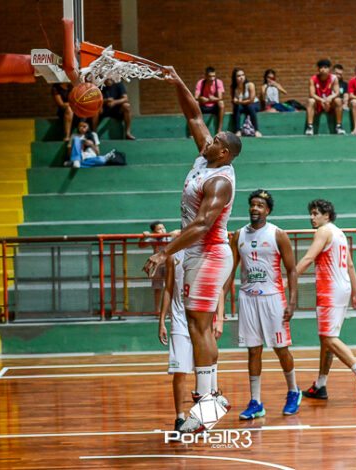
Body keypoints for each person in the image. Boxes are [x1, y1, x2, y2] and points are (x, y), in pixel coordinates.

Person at [143, 66, 241, 434]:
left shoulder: (220, 181)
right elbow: (194, 115)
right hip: (199, 253)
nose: (208, 139)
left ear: (224, 152)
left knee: (200, 328)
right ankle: (212, 399)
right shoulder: (205, 157)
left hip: (210, 253)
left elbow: (201, 225)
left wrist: (163, 252)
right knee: (199, 327)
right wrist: (177, 81)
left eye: (215, 139)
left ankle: (207, 407)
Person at [226, 190, 301, 420]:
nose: (255, 208)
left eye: (260, 205)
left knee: (280, 348)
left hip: (273, 298)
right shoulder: (238, 235)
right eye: (252, 204)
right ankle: (256, 402)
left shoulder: (278, 234)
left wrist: (292, 302)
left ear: (267, 210)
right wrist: (221, 301)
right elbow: (230, 270)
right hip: (248, 298)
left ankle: (293, 391)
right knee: (253, 350)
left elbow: (292, 270)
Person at [296, 199, 356, 404]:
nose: (312, 217)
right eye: (311, 213)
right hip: (342, 289)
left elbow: (308, 258)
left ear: (327, 215)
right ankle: (320, 385)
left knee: (329, 338)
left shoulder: (323, 231)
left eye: (316, 213)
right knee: (326, 339)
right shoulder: (339, 233)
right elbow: (350, 265)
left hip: (330, 290)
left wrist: (288, 279)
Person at [157, 249, 196, 433]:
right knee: (180, 371)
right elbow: (168, 288)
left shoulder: (206, 252)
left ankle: (202, 418)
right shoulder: (174, 256)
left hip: (201, 321)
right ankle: (180, 418)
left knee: (203, 372)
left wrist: (218, 317)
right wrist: (161, 321)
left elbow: (217, 288)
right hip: (180, 321)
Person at [140, 222, 180, 312]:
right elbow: (141, 245)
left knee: (171, 287)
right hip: (157, 265)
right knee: (157, 288)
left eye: (163, 228)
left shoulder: (169, 237)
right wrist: (143, 237)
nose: (162, 230)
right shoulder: (152, 239)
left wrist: (176, 231)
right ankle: (157, 310)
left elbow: (181, 232)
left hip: (169, 264)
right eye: (159, 229)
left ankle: (171, 310)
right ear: (154, 231)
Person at [305, 59, 346, 135]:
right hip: (318, 103)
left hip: (330, 103)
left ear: (329, 69)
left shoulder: (334, 78)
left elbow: (337, 93)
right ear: (318, 69)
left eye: (325, 67)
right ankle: (310, 127)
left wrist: (330, 98)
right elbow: (312, 94)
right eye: (321, 67)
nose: (323, 69)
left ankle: (339, 126)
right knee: (310, 101)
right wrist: (322, 100)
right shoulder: (313, 79)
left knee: (338, 100)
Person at [230, 68, 262, 137]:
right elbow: (233, 100)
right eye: (239, 76)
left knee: (250, 106)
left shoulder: (250, 85)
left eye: (243, 75)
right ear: (235, 78)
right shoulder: (233, 88)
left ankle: (256, 130)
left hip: (254, 104)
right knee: (237, 108)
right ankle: (238, 131)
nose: (241, 77)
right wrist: (234, 100)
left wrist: (239, 101)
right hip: (242, 105)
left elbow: (251, 100)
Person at [194, 66, 225, 132]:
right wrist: (200, 98)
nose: (212, 78)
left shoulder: (218, 82)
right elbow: (195, 97)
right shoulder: (200, 83)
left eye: (214, 76)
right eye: (210, 76)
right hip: (203, 107)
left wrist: (212, 99)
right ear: (205, 76)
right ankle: (196, 129)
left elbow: (220, 98)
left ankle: (219, 130)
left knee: (221, 103)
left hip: (214, 107)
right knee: (196, 103)